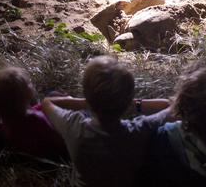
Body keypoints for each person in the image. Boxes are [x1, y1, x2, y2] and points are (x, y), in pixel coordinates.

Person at [41, 55, 172, 187]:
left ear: (86, 95)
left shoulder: (74, 126)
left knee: (53, 93)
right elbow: (170, 106)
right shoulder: (139, 129)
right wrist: (131, 104)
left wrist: (88, 102)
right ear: (127, 101)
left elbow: (47, 102)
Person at [0, 67, 68, 160]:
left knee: (52, 95)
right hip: (56, 157)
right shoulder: (36, 119)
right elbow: (61, 142)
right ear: (25, 94)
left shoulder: (5, 119)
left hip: (30, 153)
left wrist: (43, 105)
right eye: (28, 83)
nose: (31, 83)